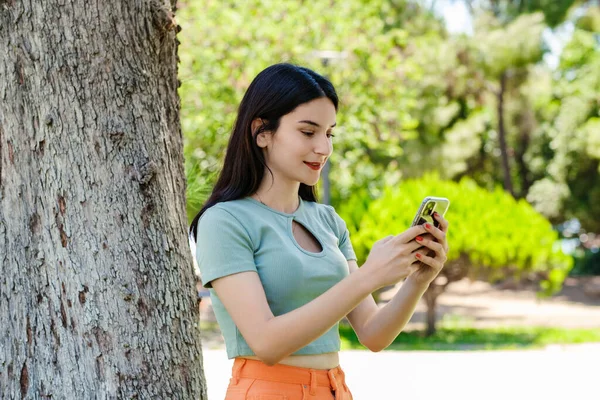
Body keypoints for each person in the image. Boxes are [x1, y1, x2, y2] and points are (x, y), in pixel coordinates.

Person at [189, 63, 449, 400]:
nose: (324, 148)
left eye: (329, 133)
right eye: (308, 132)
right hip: (267, 390)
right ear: (262, 132)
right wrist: (369, 276)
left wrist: (419, 279)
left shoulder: (327, 221)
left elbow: (373, 334)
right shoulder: (224, 221)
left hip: (334, 389)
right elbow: (266, 343)